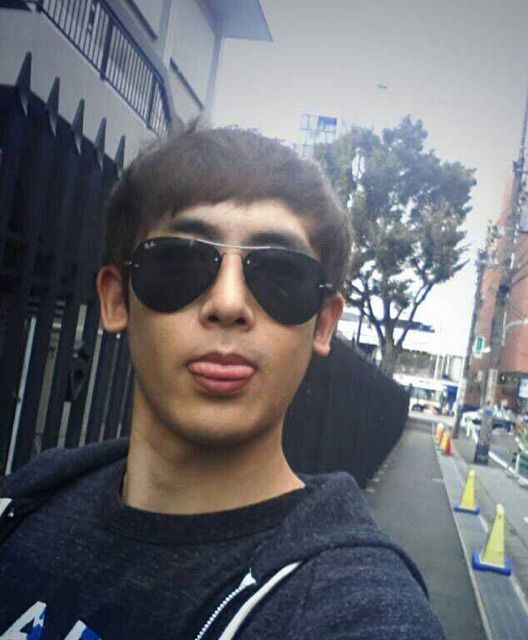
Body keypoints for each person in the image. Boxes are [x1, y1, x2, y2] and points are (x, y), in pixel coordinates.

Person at [0, 124, 446, 639]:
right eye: (179, 261)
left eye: (281, 274)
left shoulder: (349, 604)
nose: (229, 303)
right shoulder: (30, 500)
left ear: (323, 324)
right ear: (117, 300)